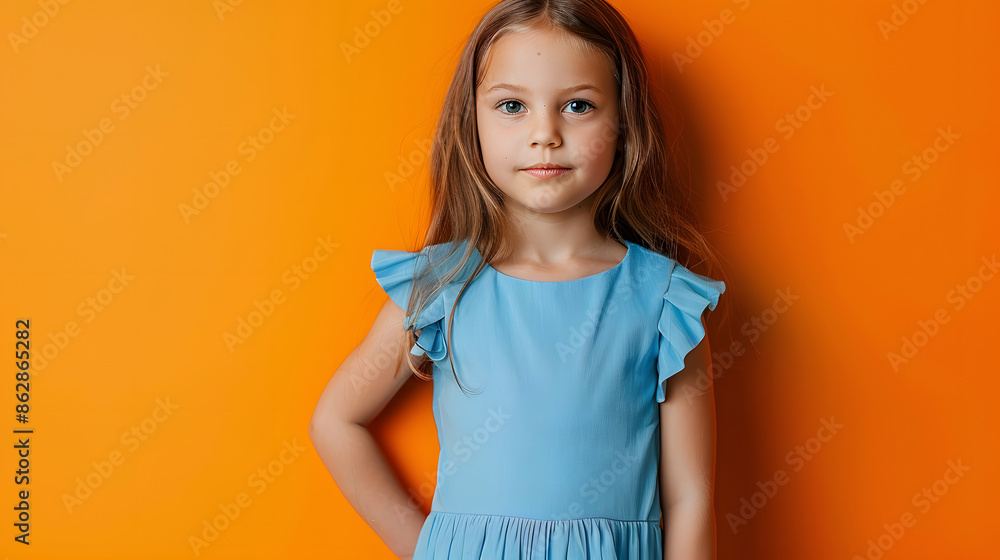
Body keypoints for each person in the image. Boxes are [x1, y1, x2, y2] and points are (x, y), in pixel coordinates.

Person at [309, 0, 729, 558]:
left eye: (578, 105)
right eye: (512, 105)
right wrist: (426, 547)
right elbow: (336, 422)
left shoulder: (664, 302)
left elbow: (691, 499)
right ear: (472, 123)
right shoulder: (440, 288)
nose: (545, 134)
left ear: (624, 123)